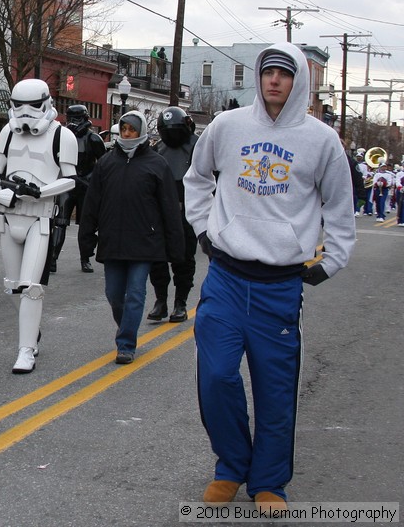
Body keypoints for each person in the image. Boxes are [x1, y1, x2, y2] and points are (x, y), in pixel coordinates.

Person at [184, 43, 356, 509]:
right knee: (217, 378)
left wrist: (332, 260)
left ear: (298, 79)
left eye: (284, 73)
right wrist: (203, 229)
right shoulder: (227, 126)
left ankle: (268, 482)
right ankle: (231, 466)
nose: (274, 80)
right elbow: (197, 179)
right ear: (259, 77)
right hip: (226, 278)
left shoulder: (321, 141)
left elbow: (340, 207)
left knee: (275, 390)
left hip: (279, 287)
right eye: (268, 72)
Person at [0, 79, 77, 373]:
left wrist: (40, 191)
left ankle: (26, 349)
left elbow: (70, 178)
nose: (25, 113)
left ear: (46, 103)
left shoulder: (62, 136)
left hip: (39, 217)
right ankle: (31, 331)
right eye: (18, 105)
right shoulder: (6, 134)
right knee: (12, 287)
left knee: (30, 288)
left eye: (33, 106)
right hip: (9, 214)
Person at [79, 111, 184, 365]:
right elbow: (91, 203)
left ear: (142, 132)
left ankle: (126, 343)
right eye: (124, 129)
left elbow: (169, 207)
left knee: (135, 293)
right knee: (115, 295)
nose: (127, 134)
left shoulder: (156, 164)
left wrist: (176, 248)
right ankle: (127, 325)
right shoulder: (106, 163)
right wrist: (87, 238)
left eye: (132, 130)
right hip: (112, 240)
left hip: (144, 242)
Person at [146, 106, 198, 323]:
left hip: (188, 210)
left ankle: (180, 302)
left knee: (183, 259)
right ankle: (161, 300)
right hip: (162, 210)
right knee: (156, 258)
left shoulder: (198, 147)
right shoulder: (158, 149)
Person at [48, 105, 106, 274]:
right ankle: (52, 258)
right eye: (71, 118)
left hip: (85, 184)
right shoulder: (61, 138)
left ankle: (85, 258)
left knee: (87, 225)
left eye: (77, 118)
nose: (73, 123)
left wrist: (91, 181)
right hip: (67, 183)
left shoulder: (93, 139)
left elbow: (103, 164)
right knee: (60, 222)